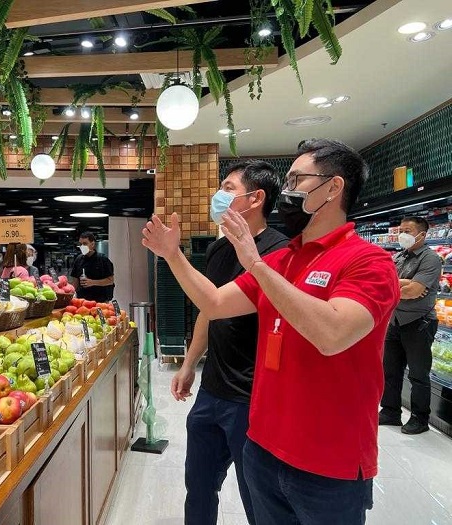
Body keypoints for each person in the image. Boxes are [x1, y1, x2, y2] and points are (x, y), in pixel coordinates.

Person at [142, 139, 400, 525]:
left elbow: (331, 334)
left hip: (328, 462)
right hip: (263, 447)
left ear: (333, 187)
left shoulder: (369, 262)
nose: (289, 191)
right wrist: (172, 255)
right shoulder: (283, 259)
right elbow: (213, 303)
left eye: (298, 179)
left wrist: (256, 265)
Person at [174, 161, 288, 525]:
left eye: (227, 187)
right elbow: (210, 309)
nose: (218, 196)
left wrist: (171, 253)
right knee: (199, 485)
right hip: (212, 391)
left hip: (253, 396)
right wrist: (190, 362)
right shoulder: (219, 251)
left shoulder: (279, 251)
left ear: (256, 198)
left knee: (258, 496)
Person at [379, 216, 441, 434]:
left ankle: (419, 418)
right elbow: (382, 284)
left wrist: (402, 287)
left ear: (422, 235)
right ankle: (390, 411)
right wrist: (404, 285)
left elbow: (415, 291)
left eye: (407, 230)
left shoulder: (431, 259)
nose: (401, 234)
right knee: (390, 370)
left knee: (418, 373)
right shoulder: (398, 257)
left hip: (419, 323)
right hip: (394, 321)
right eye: (400, 230)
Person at [71, 232, 114, 302]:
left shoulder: (103, 259)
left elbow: (110, 280)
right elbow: (75, 281)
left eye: (85, 244)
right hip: (82, 300)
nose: (82, 246)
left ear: (92, 244)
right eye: (80, 244)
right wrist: (71, 294)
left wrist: (92, 282)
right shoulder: (78, 259)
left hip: (100, 301)